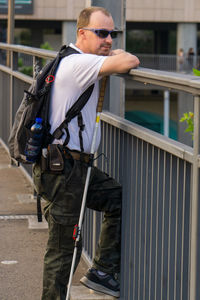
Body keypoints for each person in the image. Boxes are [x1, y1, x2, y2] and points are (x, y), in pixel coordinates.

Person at [33, 6, 140, 300]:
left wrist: (107, 52)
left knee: (116, 196)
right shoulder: (79, 64)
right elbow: (130, 60)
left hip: (71, 167)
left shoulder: (72, 59)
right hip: (64, 171)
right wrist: (114, 55)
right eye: (101, 33)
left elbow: (115, 58)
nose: (108, 39)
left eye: (112, 33)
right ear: (82, 33)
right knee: (62, 250)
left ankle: (103, 270)